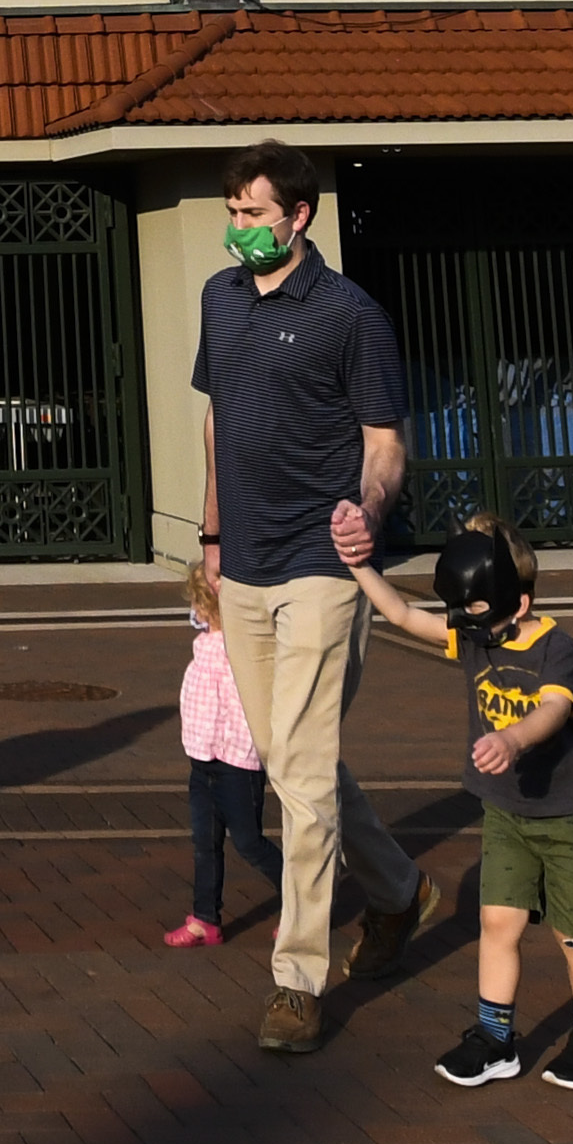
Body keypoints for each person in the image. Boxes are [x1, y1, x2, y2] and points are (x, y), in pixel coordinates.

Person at [189, 138, 439, 1053]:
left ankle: (296, 978)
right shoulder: (220, 300)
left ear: (299, 216)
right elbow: (216, 420)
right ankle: (402, 889)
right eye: (233, 210)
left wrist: (367, 507)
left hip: (324, 566)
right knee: (295, 759)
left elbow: (384, 442)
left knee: (296, 771)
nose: (239, 227)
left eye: (254, 212)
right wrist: (211, 538)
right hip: (245, 563)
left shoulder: (350, 314)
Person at [332, 501, 573, 1092]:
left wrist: (513, 740)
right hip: (508, 813)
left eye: (478, 616)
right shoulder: (475, 633)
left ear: (519, 602)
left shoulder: (553, 647)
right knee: (496, 923)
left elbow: (551, 710)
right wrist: (360, 565)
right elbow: (404, 616)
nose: (469, 631)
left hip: (571, 818)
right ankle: (496, 1040)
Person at [167, 555, 285, 947]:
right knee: (205, 841)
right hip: (203, 758)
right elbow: (201, 613)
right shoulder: (204, 634)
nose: (194, 611)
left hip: (239, 761)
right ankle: (205, 917)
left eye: (199, 603)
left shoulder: (245, 644)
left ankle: (302, 905)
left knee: (249, 842)